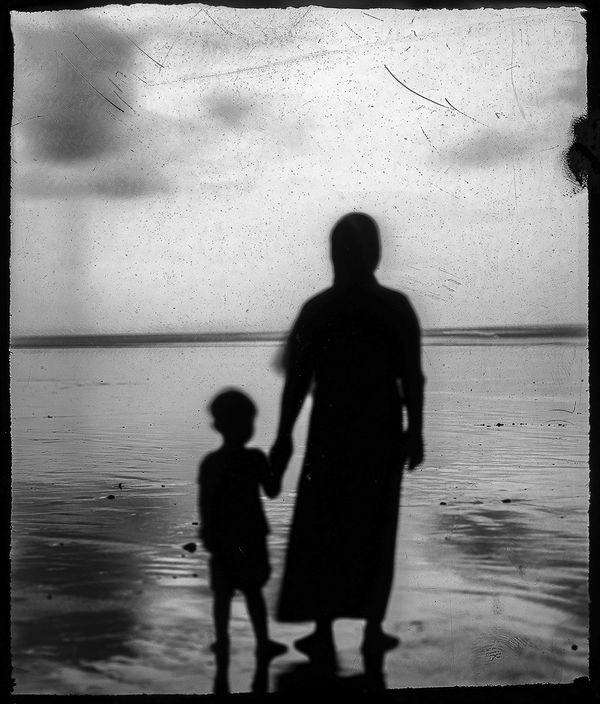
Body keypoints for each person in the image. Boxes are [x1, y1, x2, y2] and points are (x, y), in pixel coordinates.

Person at [270, 212, 425, 667]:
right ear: (375, 253)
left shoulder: (319, 308)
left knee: (326, 525)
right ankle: (370, 629)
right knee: (373, 527)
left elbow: (296, 384)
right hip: (376, 432)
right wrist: (415, 430)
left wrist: (284, 438)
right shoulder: (392, 306)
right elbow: (411, 378)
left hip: (335, 432)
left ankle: (326, 629)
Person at [198, 388, 287, 694]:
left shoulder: (211, 462)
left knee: (223, 596)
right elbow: (272, 490)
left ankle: (223, 643)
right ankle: (261, 642)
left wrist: (208, 534)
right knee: (252, 592)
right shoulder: (255, 459)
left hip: (225, 539)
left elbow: (205, 504)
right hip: (249, 536)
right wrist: (280, 462)